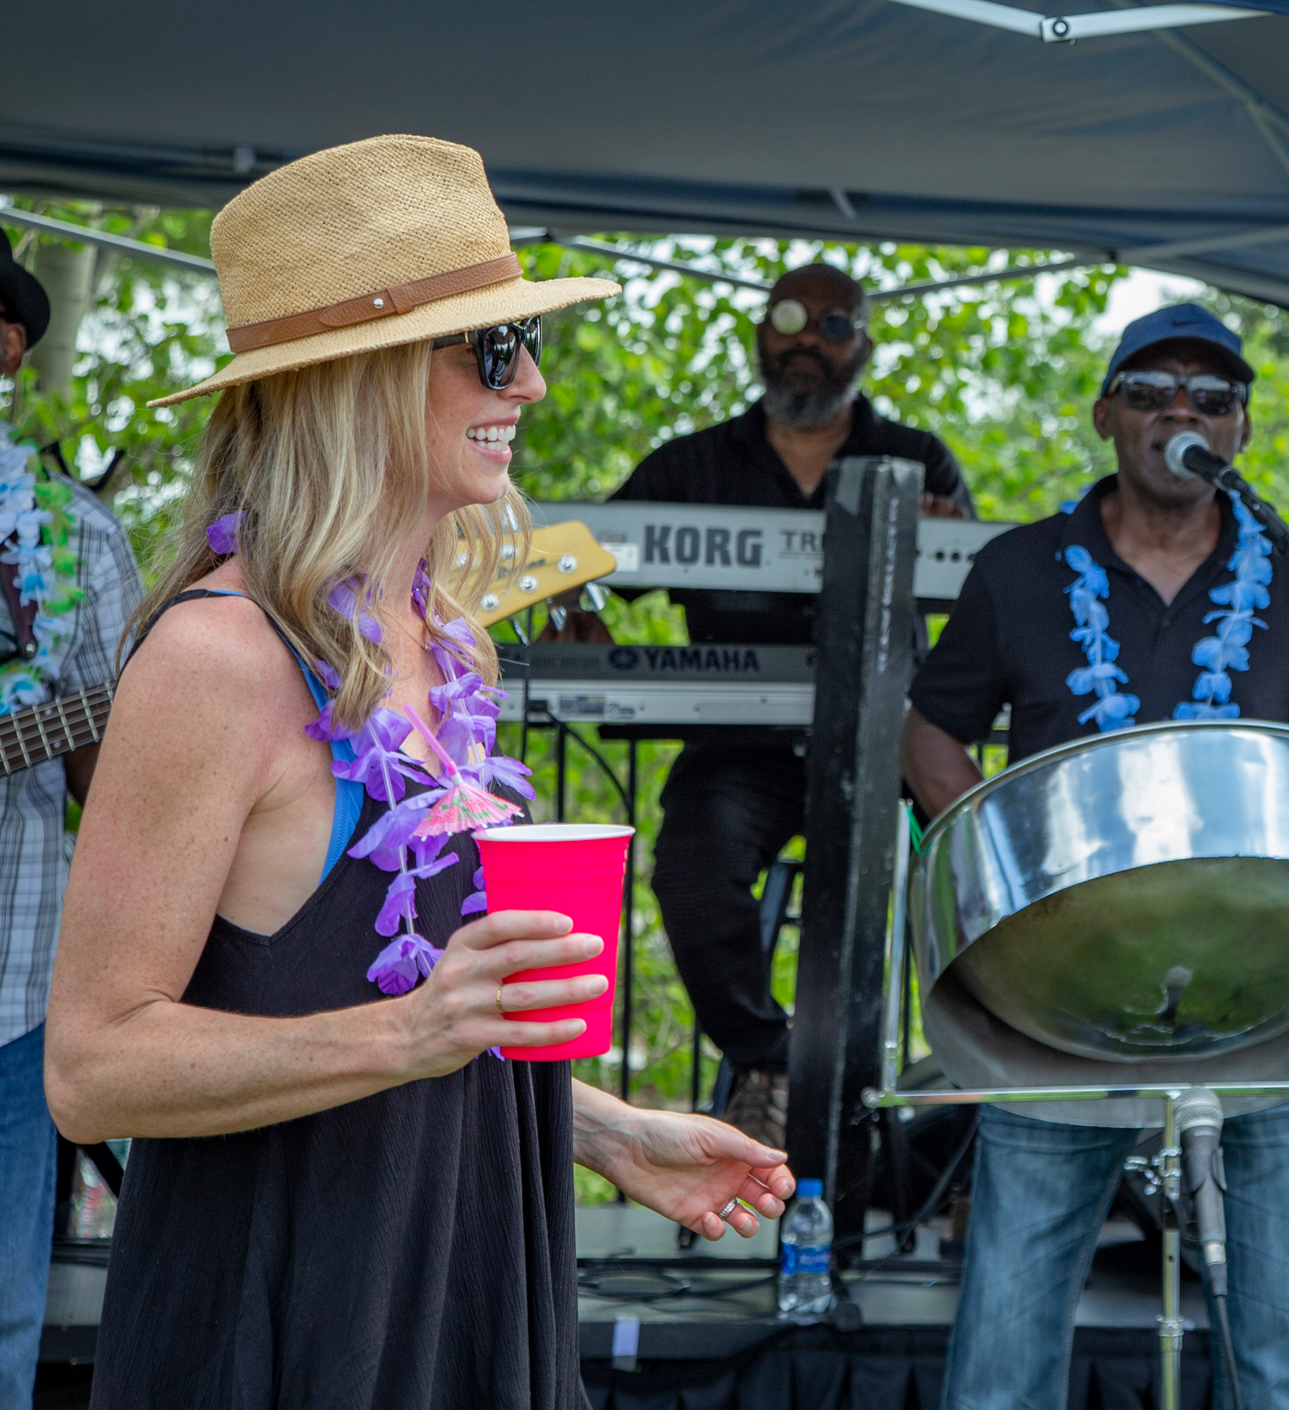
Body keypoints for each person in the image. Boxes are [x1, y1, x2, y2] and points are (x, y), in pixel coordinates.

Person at [43, 135, 795, 1409]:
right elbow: (92, 1068)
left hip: (467, 1282)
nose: (538, 384)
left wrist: (606, 1132)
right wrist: (411, 1029)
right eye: (495, 349)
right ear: (364, 378)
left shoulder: (451, 645)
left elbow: (417, 1015)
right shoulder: (219, 656)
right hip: (286, 1319)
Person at [902, 302, 1289, 1410]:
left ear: (1240, 433)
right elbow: (929, 728)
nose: (1182, 410)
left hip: (1262, 997)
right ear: (1105, 416)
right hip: (1060, 992)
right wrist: (996, 867)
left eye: (1211, 397)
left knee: (1278, 1357)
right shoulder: (1020, 569)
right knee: (1005, 1343)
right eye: (1152, 390)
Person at [599, 261, 971, 1147]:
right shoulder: (691, 464)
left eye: (834, 324)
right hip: (739, 744)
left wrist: (944, 541)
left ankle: (967, 1114)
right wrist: (577, 613)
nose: (808, 337)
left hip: (889, 744)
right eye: (791, 317)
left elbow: (974, 601)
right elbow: (585, 561)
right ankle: (776, 1061)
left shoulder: (917, 458)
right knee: (692, 866)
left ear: (864, 347)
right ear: (760, 332)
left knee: (972, 875)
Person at [0, 234, 143, 1405]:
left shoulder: (75, 536)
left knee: (0, 1315)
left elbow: (124, 776)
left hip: (7, 991)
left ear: (5, 346)